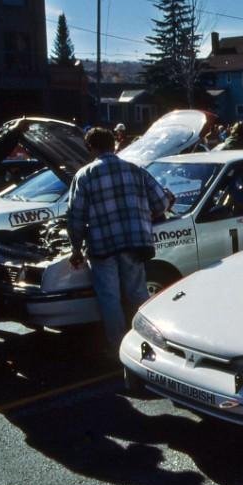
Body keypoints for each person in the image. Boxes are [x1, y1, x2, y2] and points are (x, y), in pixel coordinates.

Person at [67, 128, 171, 349]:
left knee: (109, 298)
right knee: (137, 293)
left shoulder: (84, 175)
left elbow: (75, 217)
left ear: (90, 148)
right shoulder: (136, 170)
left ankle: (119, 347)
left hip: (102, 245)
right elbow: (161, 203)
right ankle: (146, 342)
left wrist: (76, 248)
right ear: (114, 144)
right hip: (135, 243)